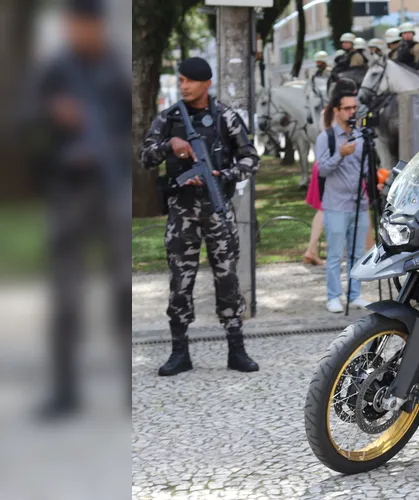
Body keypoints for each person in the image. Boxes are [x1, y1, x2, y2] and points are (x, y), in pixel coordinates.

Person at [31, 0, 131, 416]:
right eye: (74, 26)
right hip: (69, 191)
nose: (81, 33)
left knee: (121, 292)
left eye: (88, 26)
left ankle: (129, 391)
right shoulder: (56, 70)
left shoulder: (115, 69)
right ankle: (64, 391)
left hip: (111, 189)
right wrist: (53, 113)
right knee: (66, 297)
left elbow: (133, 125)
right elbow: (22, 115)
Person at [140, 57, 260, 376]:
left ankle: (236, 349)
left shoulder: (226, 118)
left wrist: (223, 174)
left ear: (206, 83)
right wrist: (170, 145)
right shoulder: (168, 118)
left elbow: (251, 159)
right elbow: (145, 156)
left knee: (227, 279)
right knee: (180, 282)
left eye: (188, 81)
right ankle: (180, 352)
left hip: (218, 209)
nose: (183, 86)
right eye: (180, 80)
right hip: (182, 213)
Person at [315, 93, 372, 313]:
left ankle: (355, 294)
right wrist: (340, 154)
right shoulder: (326, 137)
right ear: (336, 111)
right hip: (336, 205)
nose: (351, 112)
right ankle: (333, 296)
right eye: (346, 108)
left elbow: (366, 169)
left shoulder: (361, 136)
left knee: (358, 254)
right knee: (335, 255)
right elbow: (322, 170)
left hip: (359, 204)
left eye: (353, 108)